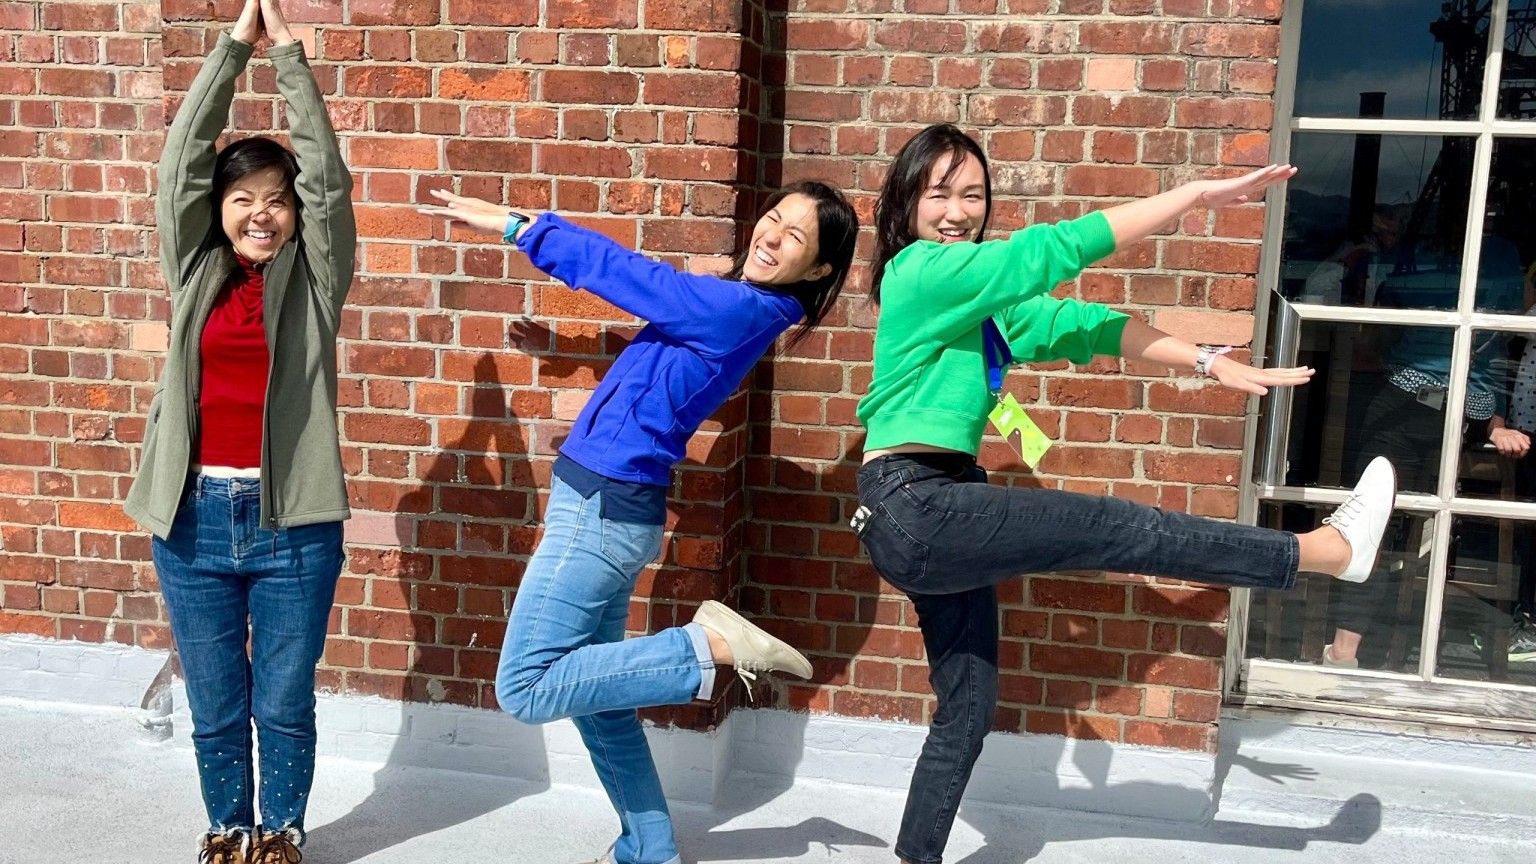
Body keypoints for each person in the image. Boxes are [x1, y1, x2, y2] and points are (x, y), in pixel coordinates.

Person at [850, 123, 1397, 864]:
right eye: (938, 193)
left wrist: (1206, 361)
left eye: (972, 195)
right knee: (1120, 527)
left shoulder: (979, 307)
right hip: (917, 501)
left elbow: (1088, 327)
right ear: (905, 204)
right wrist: (1196, 194)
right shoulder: (919, 271)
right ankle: (1322, 552)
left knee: (969, 708)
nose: (957, 211)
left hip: (922, 511)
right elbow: (1050, 252)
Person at [420, 180, 859, 864]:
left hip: (602, 506)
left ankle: (702, 647)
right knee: (599, 704)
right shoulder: (741, 307)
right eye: (773, 218)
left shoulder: (738, 309)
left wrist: (520, 227)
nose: (771, 235)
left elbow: (629, 276)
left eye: (795, 237)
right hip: (606, 504)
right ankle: (649, 847)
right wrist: (570, 344)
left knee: (527, 685)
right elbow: (659, 354)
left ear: (819, 269)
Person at [121, 0, 356, 861]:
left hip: (292, 526)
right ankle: (228, 828)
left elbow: (329, 180)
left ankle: (281, 833)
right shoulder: (193, 270)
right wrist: (233, 50)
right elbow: (182, 162)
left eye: (279, 201)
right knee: (218, 700)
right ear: (220, 208)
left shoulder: (319, 279)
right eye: (244, 198)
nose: (263, 213)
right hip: (190, 522)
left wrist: (289, 57)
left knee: (284, 701)